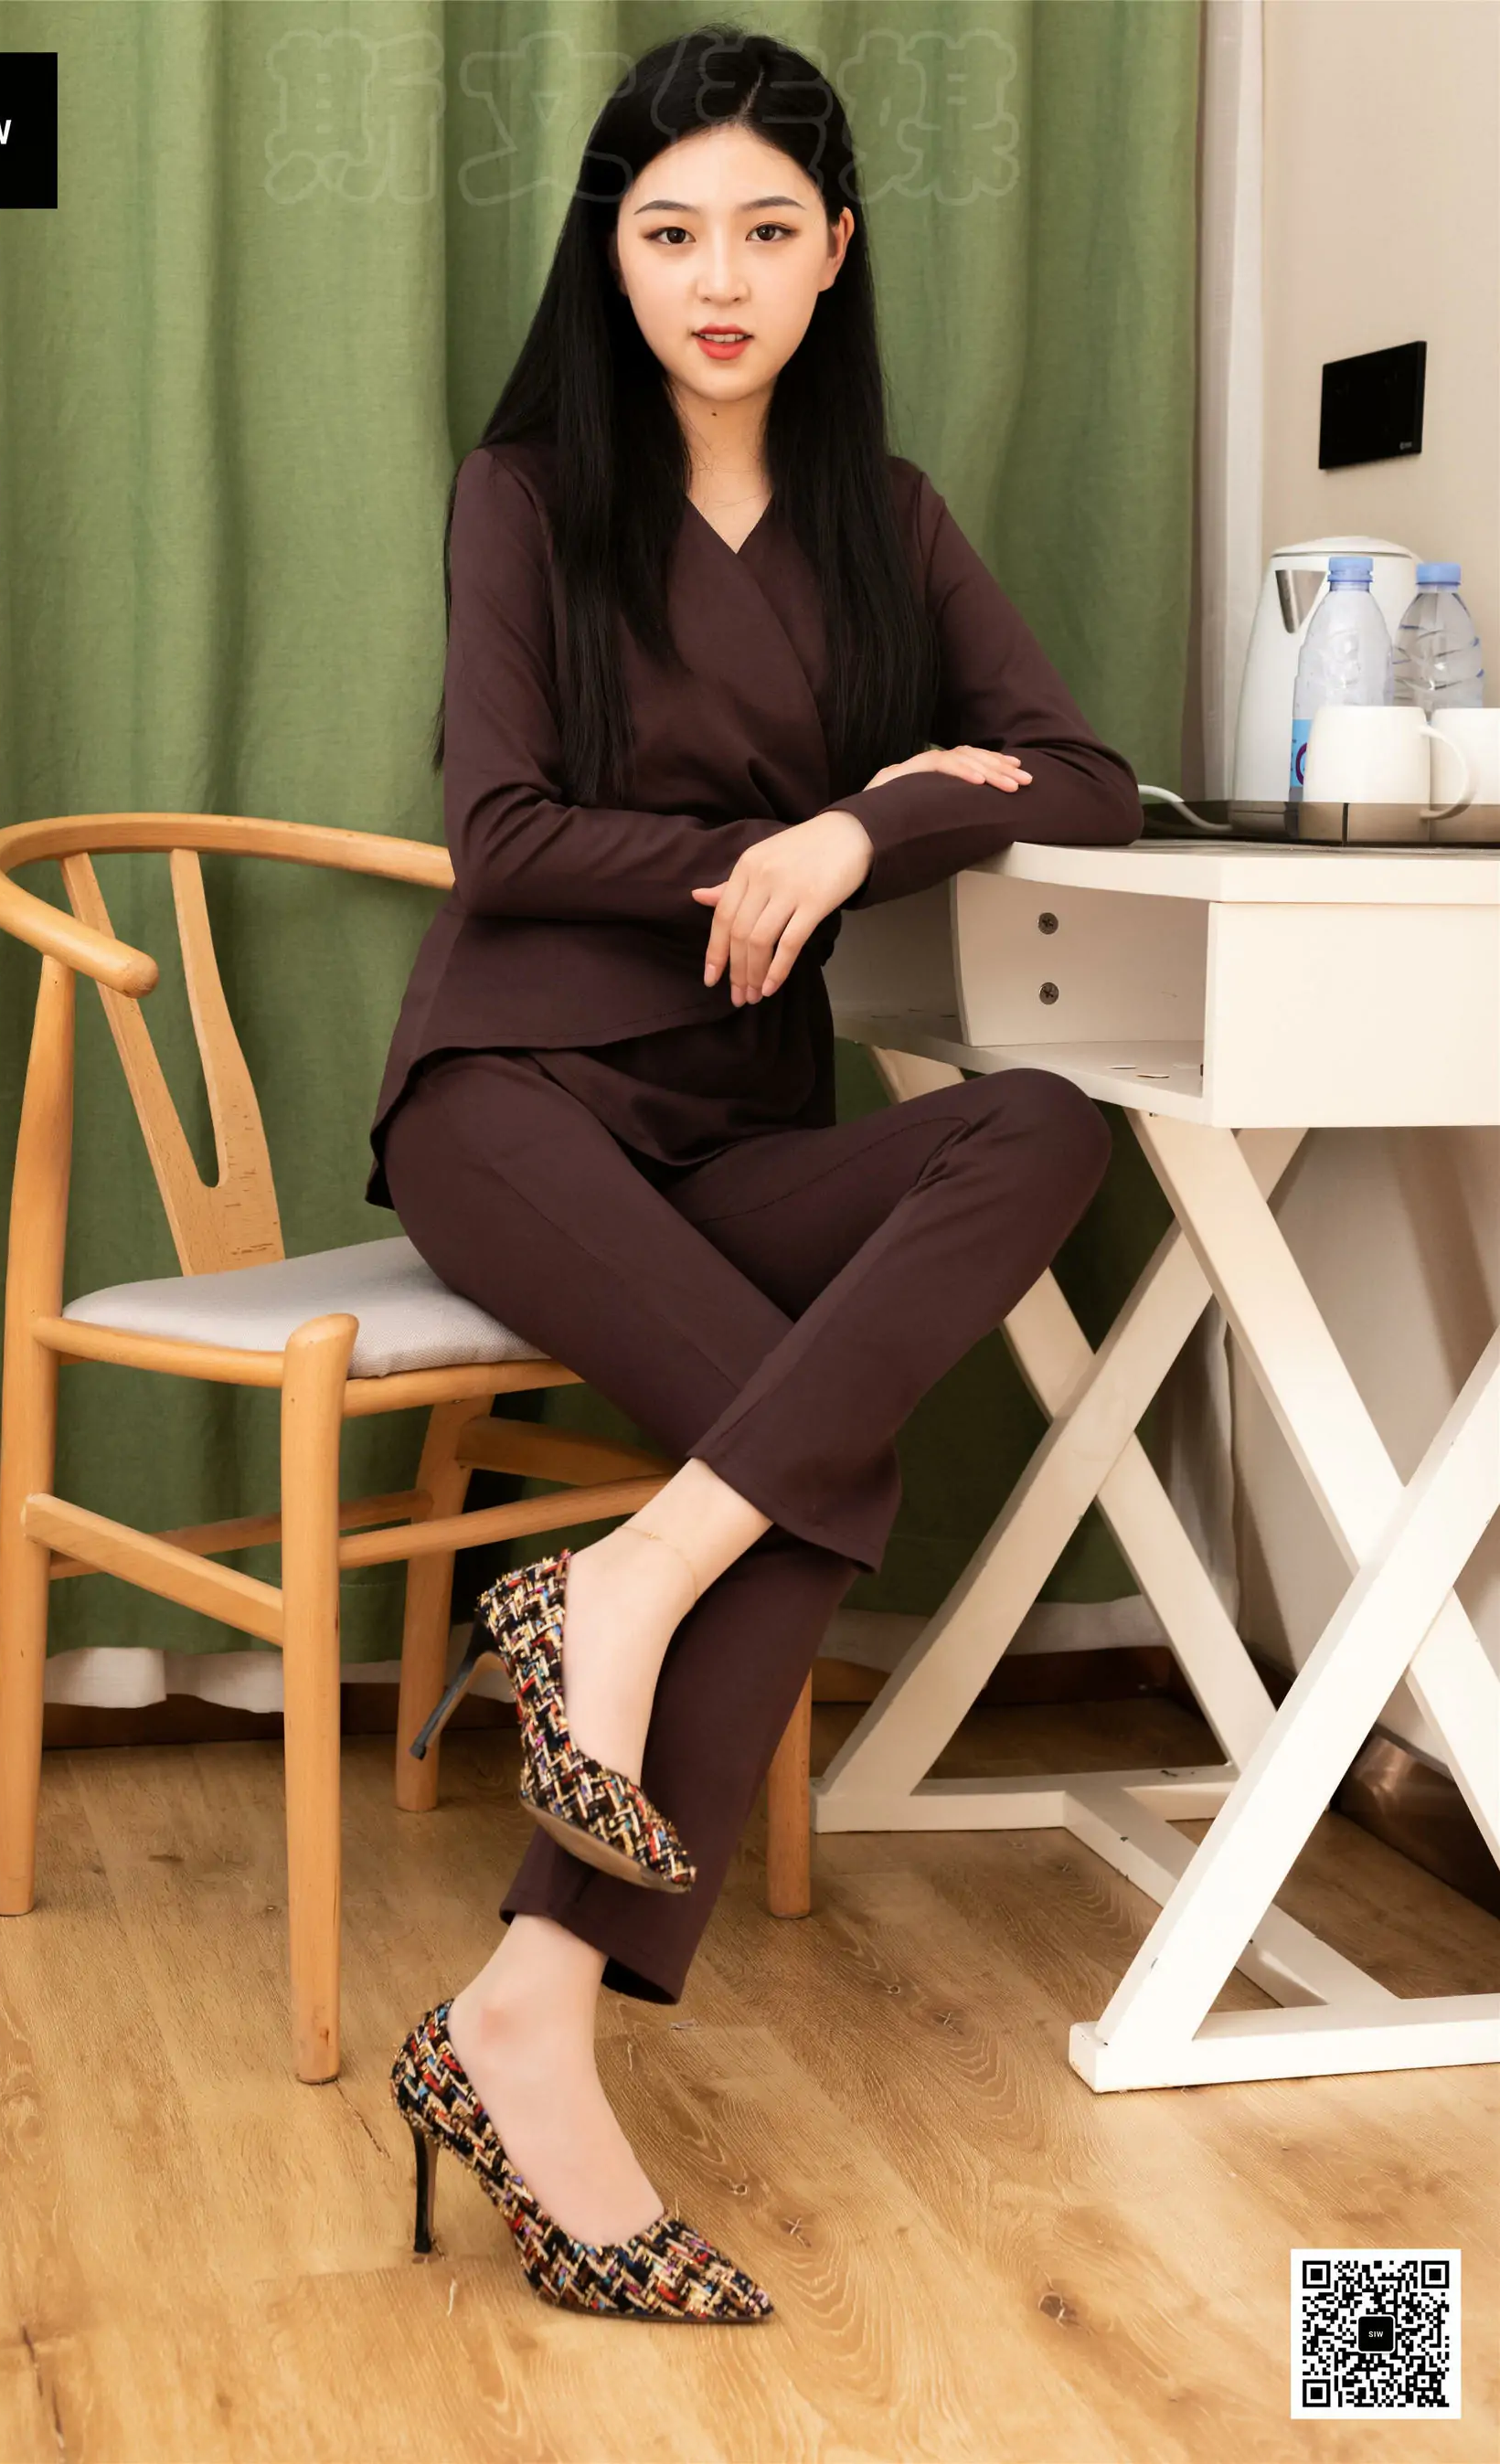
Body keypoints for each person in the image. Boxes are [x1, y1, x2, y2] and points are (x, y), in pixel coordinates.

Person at [373, 22, 1144, 2323]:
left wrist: (866, 821)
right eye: (671, 231)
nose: (718, 278)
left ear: (835, 257)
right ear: (612, 258)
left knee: (1048, 1123)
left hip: (733, 1125)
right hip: (510, 1096)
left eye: (766, 231)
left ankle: (603, 1635)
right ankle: (537, 2033)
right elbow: (501, 836)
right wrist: (769, 847)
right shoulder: (524, 494)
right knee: (822, 1470)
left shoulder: (883, 515)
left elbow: (1085, 775)